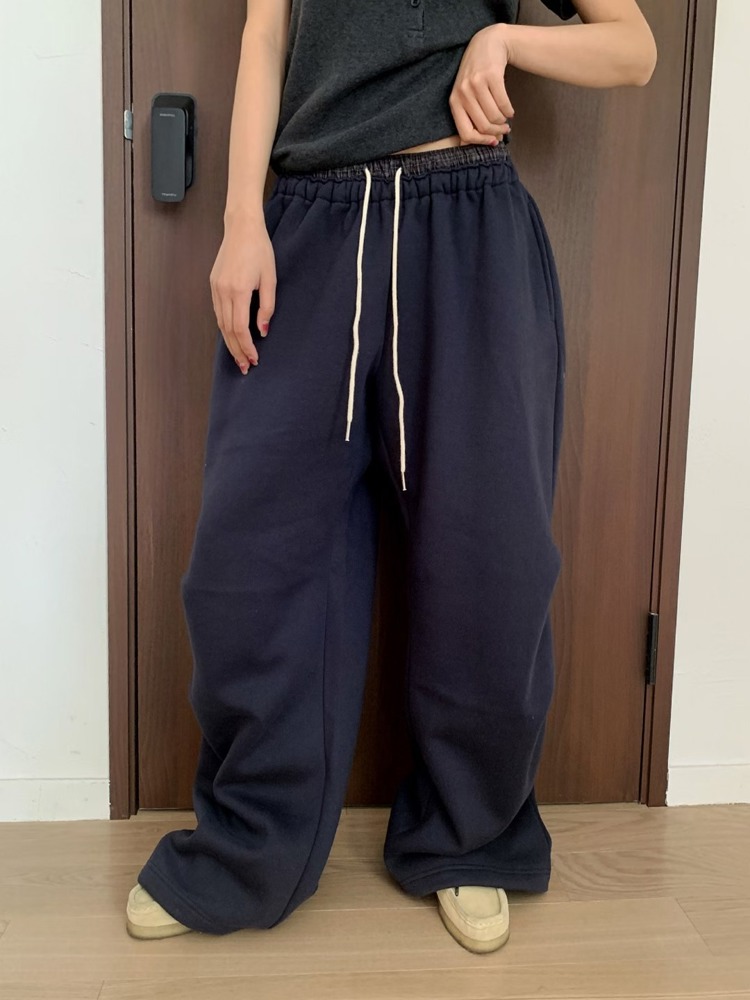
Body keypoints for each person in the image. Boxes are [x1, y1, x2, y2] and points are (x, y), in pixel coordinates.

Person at [125, 0, 657, 953]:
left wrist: (505, 40)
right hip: (310, 226)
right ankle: (249, 845)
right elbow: (264, 36)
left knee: (491, 559)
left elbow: (634, 49)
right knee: (250, 569)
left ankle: (470, 837)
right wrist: (241, 221)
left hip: (469, 226)